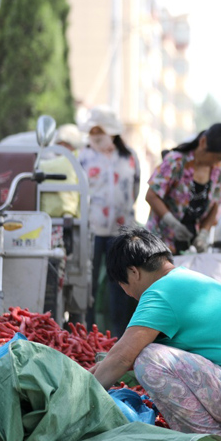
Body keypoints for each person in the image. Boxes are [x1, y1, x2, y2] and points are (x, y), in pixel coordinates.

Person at [91, 226, 221, 436]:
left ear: (133, 272)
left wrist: (83, 398)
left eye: (122, 284)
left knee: (149, 360)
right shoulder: (190, 280)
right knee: (147, 355)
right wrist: (105, 367)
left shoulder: (160, 293)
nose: (126, 293)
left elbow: (122, 357)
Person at [78, 106, 140, 338]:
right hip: (91, 229)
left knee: (121, 283)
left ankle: (119, 335)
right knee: (88, 281)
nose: (95, 133)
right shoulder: (83, 156)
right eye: (92, 129)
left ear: (111, 131)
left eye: (99, 129)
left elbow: (135, 188)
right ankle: (87, 333)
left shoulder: (129, 156)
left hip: (121, 230)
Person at [145, 123, 221, 255]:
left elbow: (215, 204)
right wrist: (172, 223)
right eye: (216, 157)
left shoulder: (219, 170)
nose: (217, 162)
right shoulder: (175, 161)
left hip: (190, 244)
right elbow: (151, 195)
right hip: (161, 240)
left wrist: (203, 233)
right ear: (203, 142)